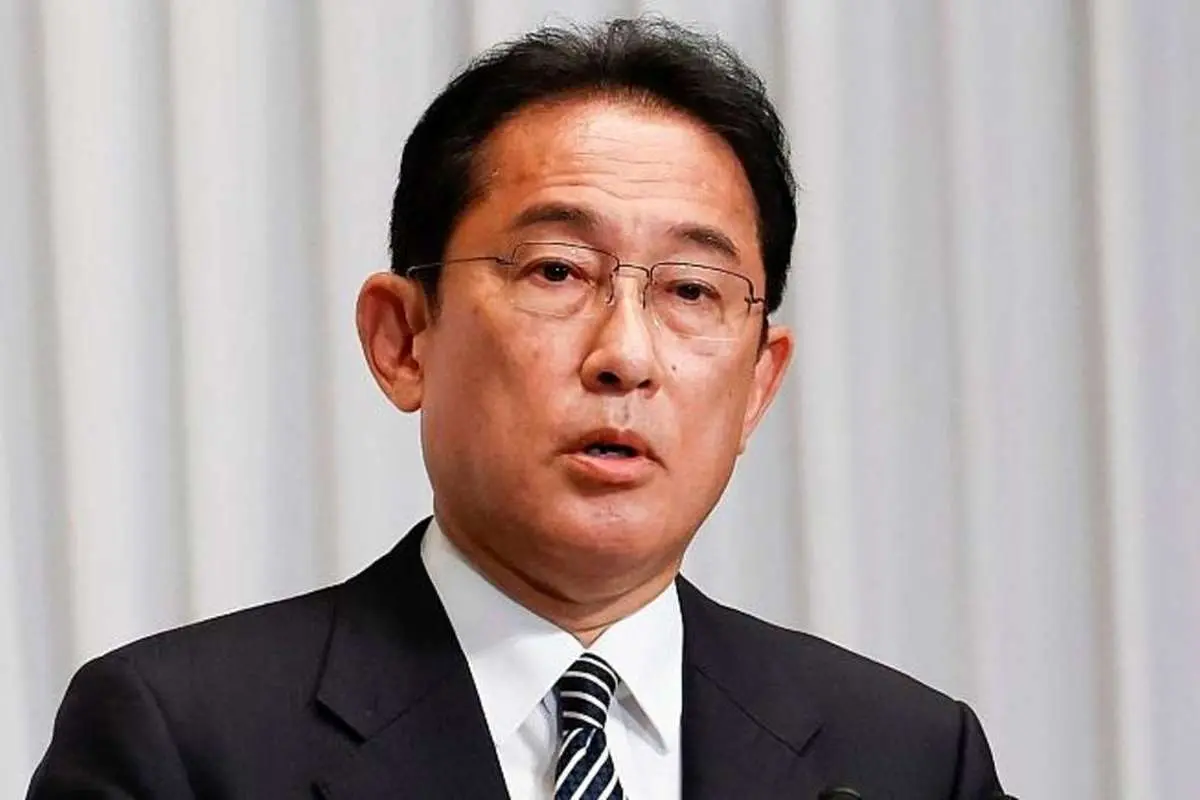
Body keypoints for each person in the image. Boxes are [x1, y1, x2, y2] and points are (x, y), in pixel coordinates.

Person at [29, 17, 1005, 799]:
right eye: (556, 270)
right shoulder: (182, 743)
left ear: (757, 385)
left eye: (691, 289)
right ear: (403, 338)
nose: (626, 356)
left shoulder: (909, 758)